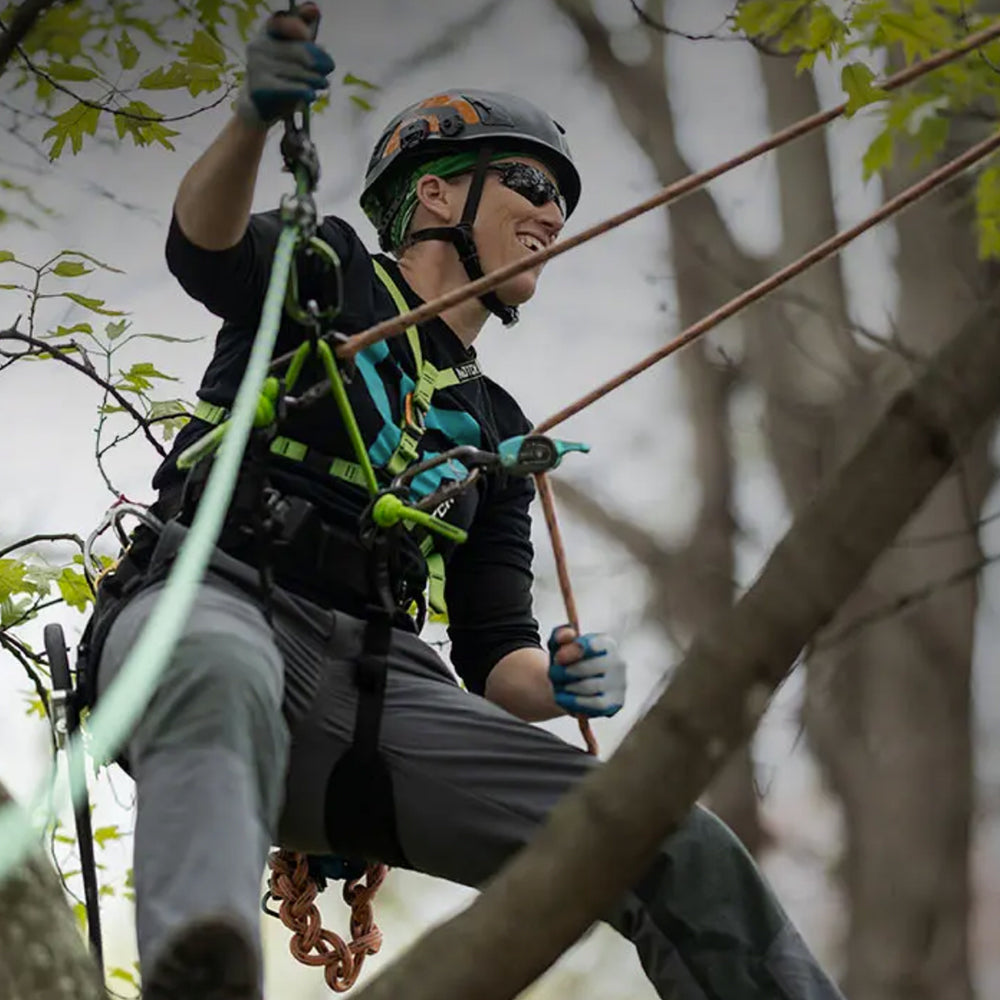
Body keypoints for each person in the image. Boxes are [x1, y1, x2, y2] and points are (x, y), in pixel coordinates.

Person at [85, 6, 846, 999]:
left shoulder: (497, 426)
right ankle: (204, 968)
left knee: (667, 835)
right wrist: (250, 122)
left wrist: (559, 680)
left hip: (374, 693)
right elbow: (204, 244)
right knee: (221, 664)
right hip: (212, 602)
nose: (551, 217)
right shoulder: (326, 272)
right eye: (529, 185)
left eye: (561, 204)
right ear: (436, 192)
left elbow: (495, 655)